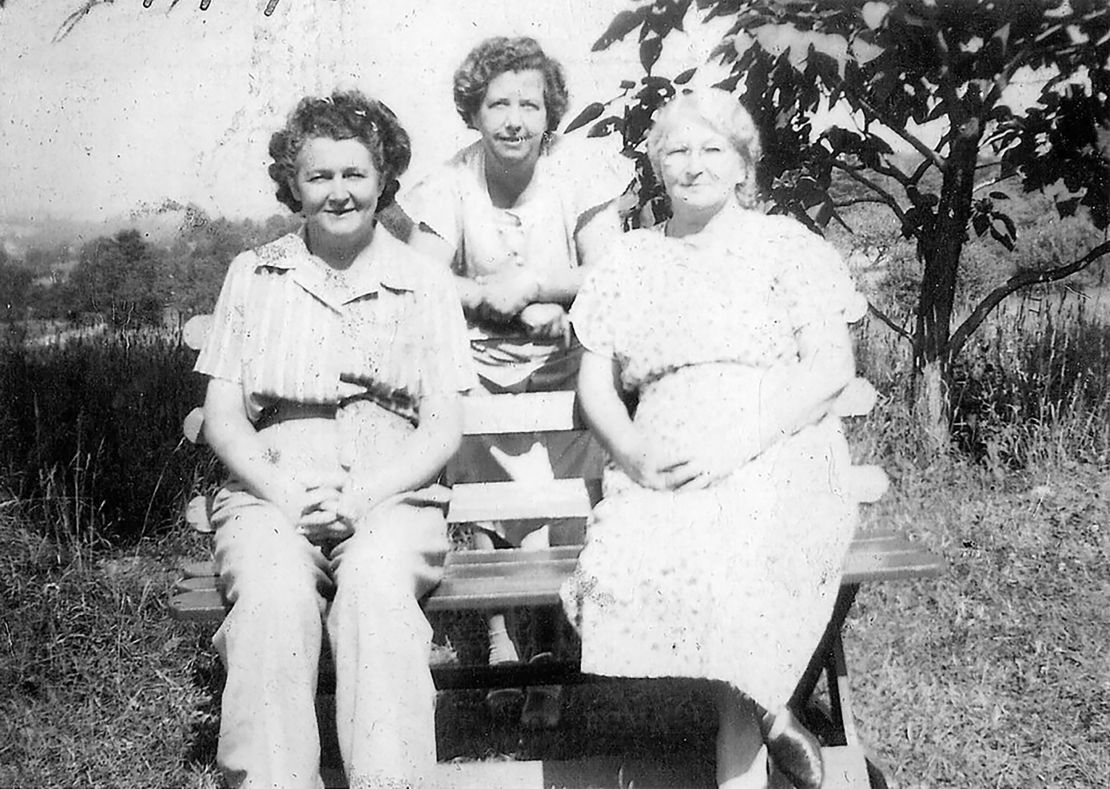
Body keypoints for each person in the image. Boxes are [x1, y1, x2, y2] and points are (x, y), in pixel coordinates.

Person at [560, 88, 886, 789]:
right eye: (676, 150)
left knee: (750, 536)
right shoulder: (629, 258)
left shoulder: (787, 245)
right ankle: (769, 710)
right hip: (668, 448)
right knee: (680, 543)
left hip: (778, 434)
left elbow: (831, 366)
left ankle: (746, 748)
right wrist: (633, 454)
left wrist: (740, 442)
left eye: (713, 149)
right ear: (656, 168)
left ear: (744, 166)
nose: (693, 164)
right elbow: (594, 385)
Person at [195, 89, 474, 789]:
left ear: (384, 179)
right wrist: (285, 491)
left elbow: (442, 426)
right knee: (273, 595)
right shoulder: (255, 273)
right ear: (293, 183)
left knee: (377, 592)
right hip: (272, 485)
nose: (339, 192)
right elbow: (224, 416)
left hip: (391, 487)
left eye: (355, 175)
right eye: (320, 176)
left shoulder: (424, 282)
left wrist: (365, 494)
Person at [399, 35, 628, 729]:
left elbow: (613, 272)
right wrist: (484, 297)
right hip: (478, 372)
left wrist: (542, 289)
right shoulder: (449, 183)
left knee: (565, 517)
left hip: (567, 369)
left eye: (530, 103)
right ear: (474, 109)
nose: (514, 119)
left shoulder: (580, 172)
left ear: (549, 111)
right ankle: (501, 639)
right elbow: (420, 275)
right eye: (499, 102)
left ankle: (553, 653)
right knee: (496, 516)